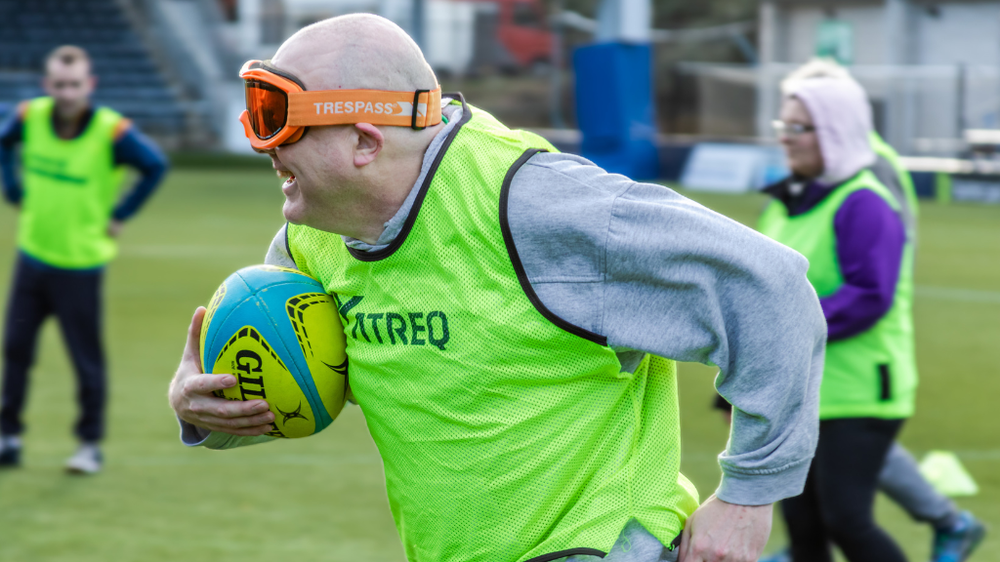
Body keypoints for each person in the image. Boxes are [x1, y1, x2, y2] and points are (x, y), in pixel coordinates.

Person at [168, 15, 827, 562]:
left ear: (364, 141)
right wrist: (208, 413)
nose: (263, 149)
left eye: (278, 121)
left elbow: (770, 290)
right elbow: (304, 387)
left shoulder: (536, 206)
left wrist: (747, 499)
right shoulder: (312, 239)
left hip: (598, 545)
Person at [756, 59, 986, 562]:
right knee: (804, 528)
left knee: (847, 520)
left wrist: (781, 331)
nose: (786, 138)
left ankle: (950, 522)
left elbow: (871, 295)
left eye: (799, 127)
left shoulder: (865, 200)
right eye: (783, 126)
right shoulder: (787, 198)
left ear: (835, 129)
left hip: (859, 388)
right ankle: (949, 521)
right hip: (804, 389)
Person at [0, 45, 168, 474]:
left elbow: (155, 166)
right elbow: (4, 144)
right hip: (32, 256)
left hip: (80, 266)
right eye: (59, 84)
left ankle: (89, 446)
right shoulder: (29, 117)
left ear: (89, 85)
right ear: (47, 85)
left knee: (84, 358)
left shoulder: (111, 132)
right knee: (16, 350)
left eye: (75, 85)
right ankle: (9, 437)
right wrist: (12, 186)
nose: (67, 92)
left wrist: (121, 214)